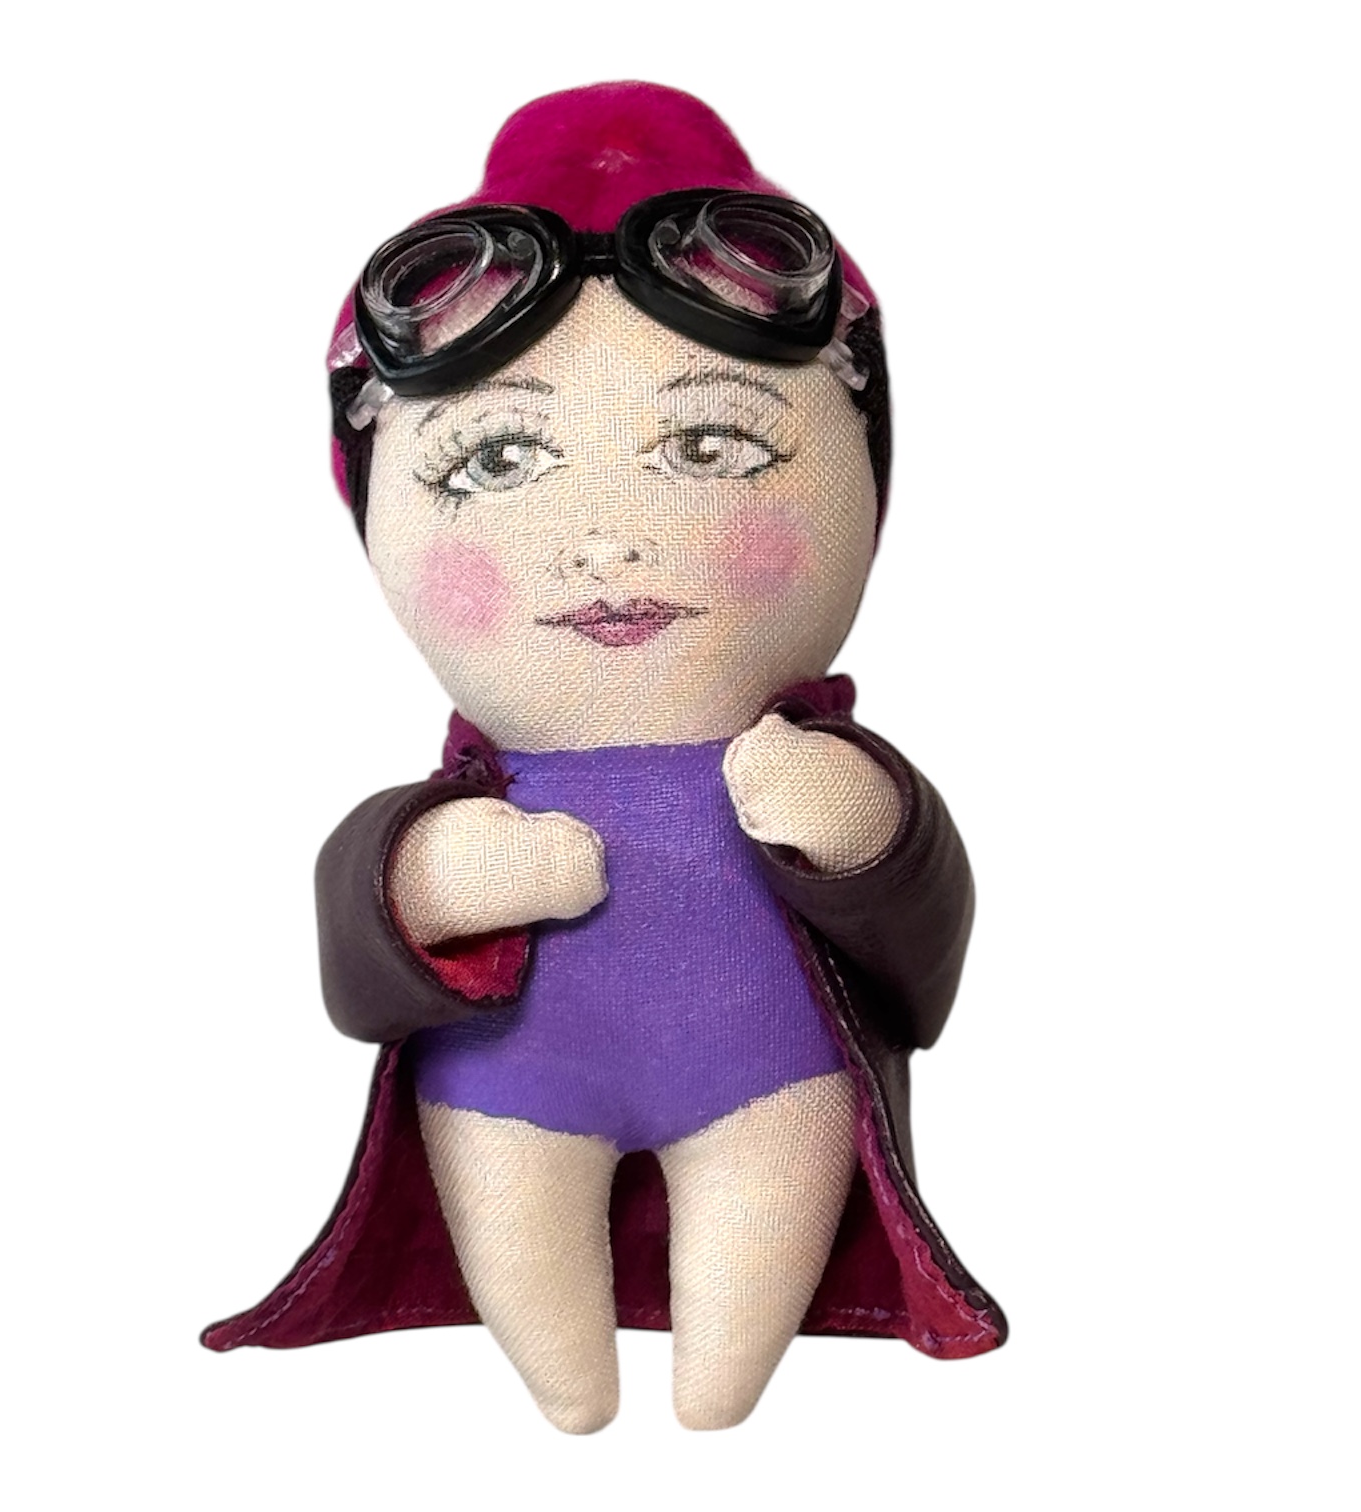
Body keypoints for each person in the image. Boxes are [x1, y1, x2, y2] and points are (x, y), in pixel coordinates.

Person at [203, 80, 1005, 1434]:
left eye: (711, 443)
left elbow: (924, 964)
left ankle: (714, 1399)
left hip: (777, 1085)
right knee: (551, 1345)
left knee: (734, 1346)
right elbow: (353, 965)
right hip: (506, 1090)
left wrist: (866, 828)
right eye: (497, 458)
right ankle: (574, 1395)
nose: (606, 538)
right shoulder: (477, 784)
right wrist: (424, 874)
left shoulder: (802, 755)